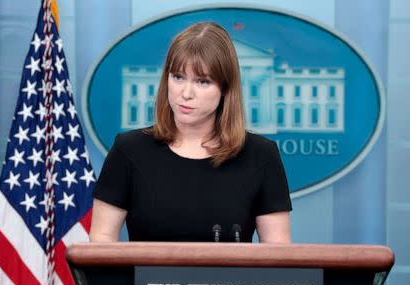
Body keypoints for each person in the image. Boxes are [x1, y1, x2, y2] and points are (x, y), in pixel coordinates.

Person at [90, 22, 292, 243]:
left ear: (225, 88)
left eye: (202, 82)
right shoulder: (128, 150)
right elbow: (102, 239)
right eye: (178, 77)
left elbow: (277, 254)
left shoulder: (261, 155)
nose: (186, 93)